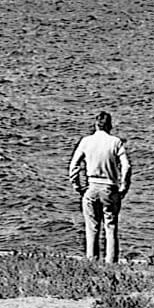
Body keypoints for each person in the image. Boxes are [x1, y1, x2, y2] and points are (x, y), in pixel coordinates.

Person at [66, 111, 133, 263]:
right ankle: (111, 263)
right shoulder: (116, 142)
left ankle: (92, 262)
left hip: (92, 187)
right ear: (110, 125)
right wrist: (124, 186)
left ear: (95, 124)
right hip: (110, 188)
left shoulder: (86, 141)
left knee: (92, 229)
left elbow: (73, 166)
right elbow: (126, 166)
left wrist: (78, 187)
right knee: (111, 228)